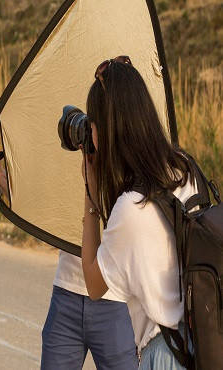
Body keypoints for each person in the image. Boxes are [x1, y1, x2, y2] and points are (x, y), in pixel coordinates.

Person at [80, 56, 197, 369]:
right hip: (201, 343)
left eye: (92, 127)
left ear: (106, 130)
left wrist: (91, 199)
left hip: (164, 354)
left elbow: (94, 284)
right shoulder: (184, 169)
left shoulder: (131, 209)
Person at [0, 146, 138, 364]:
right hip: (67, 293)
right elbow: (45, 199)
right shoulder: (72, 144)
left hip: (117, 301)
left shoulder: (132, 148)